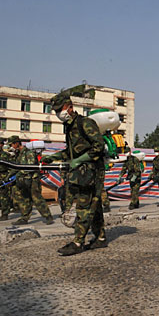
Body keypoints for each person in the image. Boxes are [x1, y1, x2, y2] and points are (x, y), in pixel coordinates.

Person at [41, 91, 107, 256]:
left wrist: (81, 159)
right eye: (55, 111)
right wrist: (52, 158)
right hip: (82, 171)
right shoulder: (69, 127)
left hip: (92, 172)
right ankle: (100, 238)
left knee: (84, 205)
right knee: (95, 204)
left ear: (70, 107)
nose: (58, 113)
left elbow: (98, 146)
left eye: (59, 109)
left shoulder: (85, 123)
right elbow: (70, 153)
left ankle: (78, 242)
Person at [8, 136, 54, 225]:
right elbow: (16, 166)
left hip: (33, 179)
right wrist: (9, 175)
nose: (12, 146)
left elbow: (30, 166)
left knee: (37, 198)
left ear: (17, 143)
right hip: (24, 180)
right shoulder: (19, 154)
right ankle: (24, 218)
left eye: (12, 144)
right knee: (25, 198)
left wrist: (19, 173)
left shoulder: (28, 152)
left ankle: (48, 216)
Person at [0, 139, 14, 220]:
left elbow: (12, 166)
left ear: (2, 145)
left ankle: (5, 213)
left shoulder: (5, 155)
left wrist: (8, 177)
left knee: (4, 196)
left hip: (3, 175)